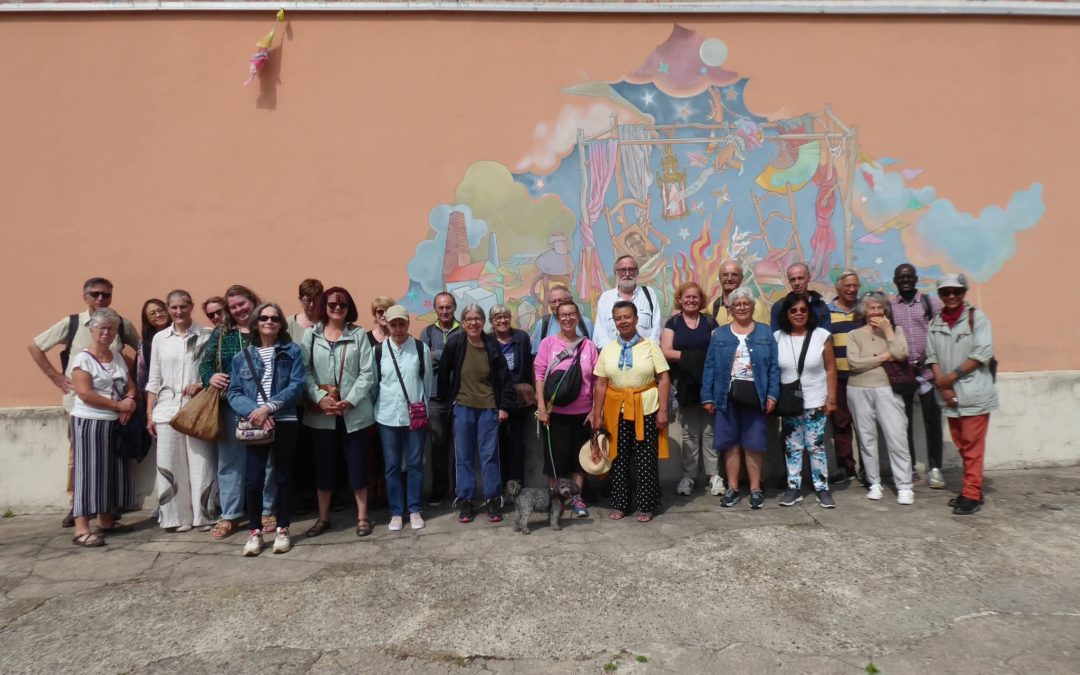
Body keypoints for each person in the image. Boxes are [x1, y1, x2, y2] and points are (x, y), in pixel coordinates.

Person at [29, 277, 138, 528]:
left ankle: (104, 512)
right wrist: (55, 377)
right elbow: (34, 346)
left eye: (106, 294)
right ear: (85, 297)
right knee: (81, 459)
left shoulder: (120, 324)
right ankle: (78, 508)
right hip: (82, 405)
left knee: (109, 459)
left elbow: (140, 350)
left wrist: (131, 396)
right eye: (95, 294)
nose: (101, 298)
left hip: (115, 409)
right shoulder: (72, 323)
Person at [199, 285, 276, 540]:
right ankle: (231, 514)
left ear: (252, 301)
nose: (239, 310)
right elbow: (206, 364)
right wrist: (211, 376)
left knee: (266, 462)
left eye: (242, 304)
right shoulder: (223, 334)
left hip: (263, 407)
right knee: (230, 462)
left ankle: (266, 511)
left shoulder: (267, 326)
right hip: (231, 407)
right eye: (233, 307)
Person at [227, 302, 305, 556]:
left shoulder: (292, 351)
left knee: (284, 476)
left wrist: (269, 408)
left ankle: (282, 527)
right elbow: (234, 392)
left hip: (284, 420)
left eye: (274, 318)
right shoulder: (242, 357)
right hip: (255, 424)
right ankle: (255, 531)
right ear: (256, 323)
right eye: (263, 318)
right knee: (253, 479)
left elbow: (296, 385)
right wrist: (256, 412)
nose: (269, 322)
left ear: (281, 323)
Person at [300, 287, 377, 538]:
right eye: (332, 304)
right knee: (324, 466)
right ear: (324, 306)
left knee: (357, 465)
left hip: (354, 414)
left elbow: (368, 373)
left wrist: (351, 400)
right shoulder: (312, 335)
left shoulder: (358, 335)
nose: (337, 308)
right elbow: (304, 371)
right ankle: (323, 518)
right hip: (322, 415)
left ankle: (362, 517)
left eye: (342, 305)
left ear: (348, 308)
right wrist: (320, 398)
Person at [591, 301, 671, 522]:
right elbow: (600, 384)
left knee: (646, 458)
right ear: (614, 322)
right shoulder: (608, 349)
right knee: (617, 458)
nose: (623, 321)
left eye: (627, 317)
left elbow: (663, 378)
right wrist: (597, 415)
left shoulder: (650, 346)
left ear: (636, 319)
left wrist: (663, 410)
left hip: (646, 408)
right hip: (615, 410)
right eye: (618, 318)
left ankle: (646, 504)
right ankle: (620, 504)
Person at [925, 274, 997, 515]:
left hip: (974, 392)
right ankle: (970, 488)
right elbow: (932, 356)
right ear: (941, 295)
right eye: (946, 292)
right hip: (949, 394)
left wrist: (951, 377)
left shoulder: (977, 318)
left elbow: (982, 353)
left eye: (956, 291)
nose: (951, 296)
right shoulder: (935, 322)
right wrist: (943, 385)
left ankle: (972, 494)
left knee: (972, 445)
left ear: (964, 293)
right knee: (962, 444)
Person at [701, 287, 779, 510]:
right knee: (731, 444)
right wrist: (707, 396)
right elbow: (710, 366)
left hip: (756, 395)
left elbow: (774, 367)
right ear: (730, 309)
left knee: (754, 444)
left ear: (753, 307)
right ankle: (733, 488)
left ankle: (755, 489)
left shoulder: (765, 333)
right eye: (737, 304)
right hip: (726, 397)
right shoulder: (720, 334)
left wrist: (772, 394)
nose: (742, 307)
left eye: (746, 304)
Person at [437, 304, 515, 524]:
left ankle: (492, 499)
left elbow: (503, 377)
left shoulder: (492, 344)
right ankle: (466, 500)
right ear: (462, 322)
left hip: (489, 407)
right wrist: (447, 402)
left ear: (484, 322)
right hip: (462, 407)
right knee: (464, 457)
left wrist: (504, 407)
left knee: (490, 456)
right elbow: (444, 372)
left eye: (478, 318)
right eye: (469, 319)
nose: (473, 323)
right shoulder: (455, 343)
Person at [145, 290, 216, 532]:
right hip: (166, 410)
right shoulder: (160, 339)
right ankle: (177, 517)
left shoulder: (206, 335)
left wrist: (201, 384)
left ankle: (204, 515)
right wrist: (149, 414)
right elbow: (154, 378)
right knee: (170, 463)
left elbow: (212, 372)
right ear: (168, 308)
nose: (179, 312)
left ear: (191, 306)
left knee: (201, 463)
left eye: (183, 306)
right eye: (174, 307)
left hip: (196, 409)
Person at [68, 308, 137, 547]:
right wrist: (118, 405)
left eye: (112, 328)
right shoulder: (83, 359)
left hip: (114, 422)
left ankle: (106, 520)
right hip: (89, 421)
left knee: (110, 473)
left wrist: (128, 404)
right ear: (92, 330)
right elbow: (85, 393)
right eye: (102, 328)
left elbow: (129, 385)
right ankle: (81, 528)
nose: (107, 333)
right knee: (87, 474)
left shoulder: (116, 356)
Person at [846, 292, 914, 505]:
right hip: (858, 388)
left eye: (879, 308)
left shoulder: (896, 330)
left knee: (897, 437)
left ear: (885, 310)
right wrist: (884, 357)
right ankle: (874, 482)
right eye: (871, 308)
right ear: (864, 311)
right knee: (866, 438)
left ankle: (904, 486)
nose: (875, 312)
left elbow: (902, 354)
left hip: (888, 389)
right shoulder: (855, 334)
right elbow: (854, 363)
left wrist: (888, 331)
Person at [534, 299, 599, 518]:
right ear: (557, 318)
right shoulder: (548, 344)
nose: (568, 318)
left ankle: (576, 498)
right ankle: (557, 501)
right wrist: (541, 408)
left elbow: (598, 380)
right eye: (563, 315)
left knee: (578, 459)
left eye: (572, 314)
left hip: (583, 414)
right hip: (556, 414)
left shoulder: (588, 346)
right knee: (555, 460)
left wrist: (594, 411)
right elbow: (539, 375)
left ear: (578, 317)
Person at [774, 292, 839, 508]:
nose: (799, 314)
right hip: (790, 402)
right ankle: (794, 487)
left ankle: (822, 487)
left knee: (816, 445)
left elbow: (831, 368)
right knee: (792, 446)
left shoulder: (822, 335)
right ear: (787, 314)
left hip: (816, 400)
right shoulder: (778, 337)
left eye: (803, 310)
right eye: (794, 310)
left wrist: (832, 398)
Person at [374, 305, 434, 531]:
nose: (398, 329)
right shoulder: (379, 351)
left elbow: (426, 384)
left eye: (402, 324)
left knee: (415, 464)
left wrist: (422, 407)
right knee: (391, 466)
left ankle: (415, 509)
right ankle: (396, 512)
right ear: (387, 325)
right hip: (387, 415)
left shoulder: (420, 349)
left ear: (408, 324)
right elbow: (375, 385)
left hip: (415, 416)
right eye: (393, 324)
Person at [660, 282, 721, 496]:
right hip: (685, 383)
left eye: (695, 297)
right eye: (687, 297)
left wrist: (696, 358)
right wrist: (691, 358)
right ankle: (689, 476)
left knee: (710, 432)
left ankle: (714, 476)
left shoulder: (710, 322)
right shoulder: (673, 322)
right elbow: (666, 351)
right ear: (680, 299)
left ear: (701, 300)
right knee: (689, 433)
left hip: (708, 382)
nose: (691, 300)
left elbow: (717, 350)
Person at [891, 263, 945, 488]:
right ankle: (909, 467)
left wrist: (930, 358)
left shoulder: (928, 302)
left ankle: (935, 468)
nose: (905, 280)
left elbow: (940, 330)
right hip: (903, 373)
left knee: (932, 421)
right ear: (895, 281)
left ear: (915, 279)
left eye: (909, 277)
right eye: (901, 277)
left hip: (926, 373)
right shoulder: (891, 306)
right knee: (903, 424)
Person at [420, 291, 460, 506]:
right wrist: (448, 356)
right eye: (440, 307)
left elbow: (464, 361)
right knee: (438, 446)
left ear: (455, 308)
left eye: (448, 307)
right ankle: (439, 491)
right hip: (435, 397)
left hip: (460, 396)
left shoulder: (463, 330)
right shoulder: (426, 332)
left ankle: (459, 490)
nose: (444, 311)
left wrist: (437, 354)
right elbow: (424, 362)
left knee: (460, 447)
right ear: (435, 309)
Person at [489, 304, 533, 490]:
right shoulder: (488, 340)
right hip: (494, 401)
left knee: (517, 446)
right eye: (497, 317)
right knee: (497, 446)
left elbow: (529, 367)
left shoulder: (521, 337)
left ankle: (516, 488)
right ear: (491, 322)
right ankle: (500, 487)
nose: (502, 320)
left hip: (518, 402)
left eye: (505, 316)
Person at [826, 269, 862, 483]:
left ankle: (869, 469)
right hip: (837, 377)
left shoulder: (864, 311)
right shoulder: (827, 312)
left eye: (855, 285)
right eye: (847, 285)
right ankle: (846, 467)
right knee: (840, 423)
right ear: (838, 288)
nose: (851, 289)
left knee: (865, 424)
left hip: (862, 376)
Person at [592, 255, 664, 349]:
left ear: (637, 272)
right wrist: (614, 352)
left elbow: (656, 327)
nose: (627, 273)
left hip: (644, 354)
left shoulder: (649, 293)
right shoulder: (606, 297)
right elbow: (599, 331)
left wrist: (649, 349)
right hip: (614, 356)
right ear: (616, 273)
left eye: (631, 269)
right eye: (622, 270)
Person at [529, 285, 593, 354]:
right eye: (553, 302)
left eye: (561, 301)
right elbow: (537, 357)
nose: (557, 305)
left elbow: (593, 353)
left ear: (571, 300)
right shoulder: (543, 324)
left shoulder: (586, 324)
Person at [769, 262, 832, 331]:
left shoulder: (821, 307)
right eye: (793, 279)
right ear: (789, 282)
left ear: (809, 278)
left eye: (800, 278)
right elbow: (776, 336)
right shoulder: (779, 307)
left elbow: (827, 338)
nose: (797, 283)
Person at [708, 260, 769, 325]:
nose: (729, 278)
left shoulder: (755, 305)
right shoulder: (712, 307)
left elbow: (761, 333)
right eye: (725, 275)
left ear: (741, 278)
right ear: (720, 278)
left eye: (734, 275)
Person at [136, 298, 169, 396]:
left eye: (161, 310)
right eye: (152, 313)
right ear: (147, 319)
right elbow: (141, 375)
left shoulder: (182, 335)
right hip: (156, 395)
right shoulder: (144, 344)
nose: (158, 315)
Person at [286, 278, 323, 344]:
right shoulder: (290, 324)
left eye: (316, 300)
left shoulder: (327, 324)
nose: (312, 305)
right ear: (300, 299)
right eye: (308, 300)